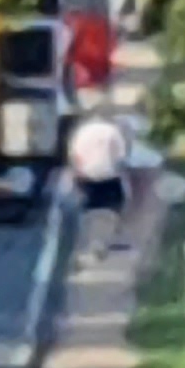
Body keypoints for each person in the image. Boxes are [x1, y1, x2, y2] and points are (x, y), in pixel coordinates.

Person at [67, 100, 133, 255]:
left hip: (86, 175)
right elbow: (121, 155)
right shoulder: (112, 131)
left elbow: (75, 155)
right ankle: (108, 237)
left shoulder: (82, 132)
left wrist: (77, 173)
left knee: (88, 208)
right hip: (109, 174)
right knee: (116, 204)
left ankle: (87, 239)